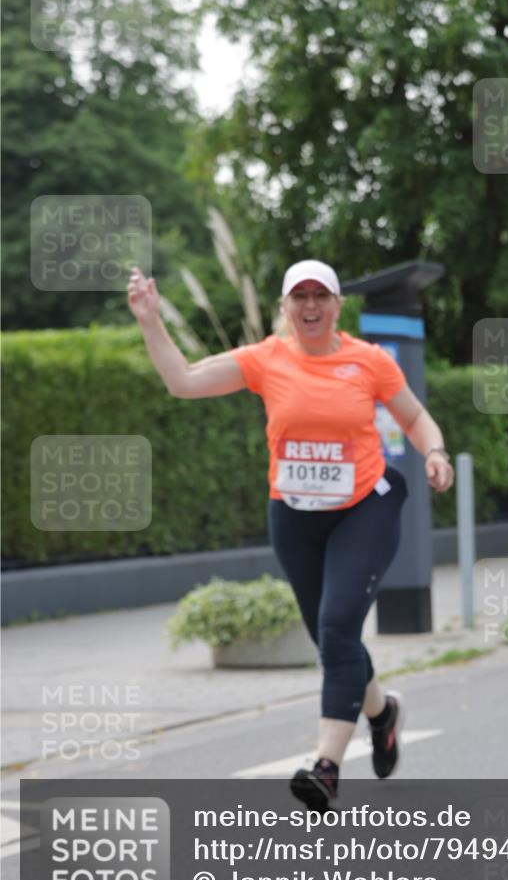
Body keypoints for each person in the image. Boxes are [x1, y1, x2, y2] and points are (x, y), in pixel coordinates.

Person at [128, 259, 454, 811]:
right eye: (299, 297)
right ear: (285, 307)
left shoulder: (368, 361)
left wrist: (437, 453)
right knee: (335, 639)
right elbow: (182, 382)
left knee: (335, 625)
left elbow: (416, 418)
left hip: (363, 510)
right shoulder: (265, 359)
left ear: (336, 305)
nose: (310, 307)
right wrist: (149, 319)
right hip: (295, 515)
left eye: (320, 296)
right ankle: (382, 712)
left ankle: (326, 766)